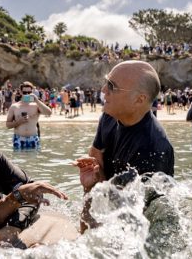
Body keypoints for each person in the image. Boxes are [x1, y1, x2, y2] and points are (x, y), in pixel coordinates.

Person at [74, 60, 175, 233]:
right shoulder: (110, 116)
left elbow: (132, 228)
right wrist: (91, 186)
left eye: (112, 86)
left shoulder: (154, 150)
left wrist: (100, 182)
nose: (104, 90)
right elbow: (95, 153)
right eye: (106, 82)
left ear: (139, 99)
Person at [6, 81, 52, 150]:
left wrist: (36, 100)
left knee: (34, 159)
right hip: (18, 138)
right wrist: (18, 122)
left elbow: (49, 113)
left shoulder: (36, 105)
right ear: (21, 92)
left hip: (33, 138)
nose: (27, 94)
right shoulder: (14, 106)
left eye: (29, 93)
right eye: (24, 93)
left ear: (32, 92)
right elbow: (8, 125)